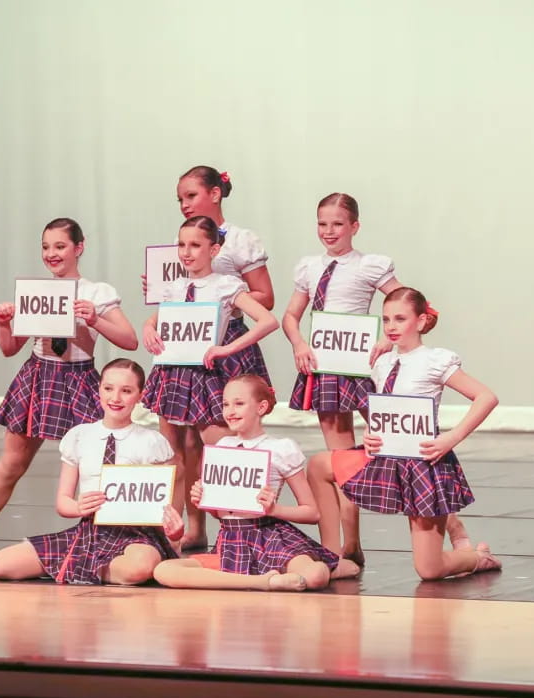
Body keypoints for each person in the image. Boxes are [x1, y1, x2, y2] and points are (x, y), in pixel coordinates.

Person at [0, 218, 138, 551]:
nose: (51, 254)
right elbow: (9, 348)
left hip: (79, 378)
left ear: (79, 248)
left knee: (99, 463)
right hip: (39, 376)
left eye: (60, 246)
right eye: (46, 247)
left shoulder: (97, 292)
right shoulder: (37, 293)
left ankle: (112, 538)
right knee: (12, 464)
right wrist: (2, 323)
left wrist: (96, 319)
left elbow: (130, 341)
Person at [307, 287, 502, 580]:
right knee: (319, 465)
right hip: (385, 457)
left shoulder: (435, 360)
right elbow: (383, 409)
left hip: (420, 462)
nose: (391, 327)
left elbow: (486, 397)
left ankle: (476, 558)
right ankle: (333, 556)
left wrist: (450, 438)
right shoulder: (382, 363)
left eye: (400, 319)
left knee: (429, 570)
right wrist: (372, 433)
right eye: (386, 320)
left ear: (422, 321)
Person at [142, 216, 278, 551]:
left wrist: (226, 348)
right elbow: (160, 317)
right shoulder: (174, 287)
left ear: (214, 249)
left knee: (220, 450)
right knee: (177, 453)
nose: (186, 252)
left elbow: (268, 320)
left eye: (195, 245)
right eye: (182, 244)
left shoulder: (226, 286)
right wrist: (148, 326)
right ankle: (187, 529)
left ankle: (244, 531)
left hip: (211, 373)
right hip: (177, 373)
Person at [282, 193, 403, 564]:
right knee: (341, 459)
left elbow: (407, 304)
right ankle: (350, 544)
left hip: (358, 366)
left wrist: (386, 338)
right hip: (326, 368)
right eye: (322, 224)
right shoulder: (309, 267)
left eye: (337, 224)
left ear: (354, 226)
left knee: (402, 441)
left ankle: (453, 528)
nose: (329, 231)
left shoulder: (368, 266)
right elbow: (291, 316)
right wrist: (299, 344)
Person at [0, 359, 183, 585]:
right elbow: (63, 501)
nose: (115, 398)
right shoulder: (79, 436)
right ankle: (92, 567)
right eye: (108, 388)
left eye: (126, 391)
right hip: (91, 532)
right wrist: (78, 507)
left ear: (140, 395)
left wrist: (174, 534)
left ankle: (82, 568)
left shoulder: (151, 441)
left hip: (137, 536)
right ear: (99, 389)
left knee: (138, 568)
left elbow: (163, 506)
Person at [153, 374, 345, 592]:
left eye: (239, 404)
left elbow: (311, 513)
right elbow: (222, 513)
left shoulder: (281, 448)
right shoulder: (223, 445)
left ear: (261, 407)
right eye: (225, 404)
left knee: (315, 575)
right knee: (164, 570)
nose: (230, 411)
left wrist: (274, 509)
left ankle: (334, 566)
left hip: (269, 537)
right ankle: (265, 582)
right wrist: (206, 502)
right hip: (231, 539)